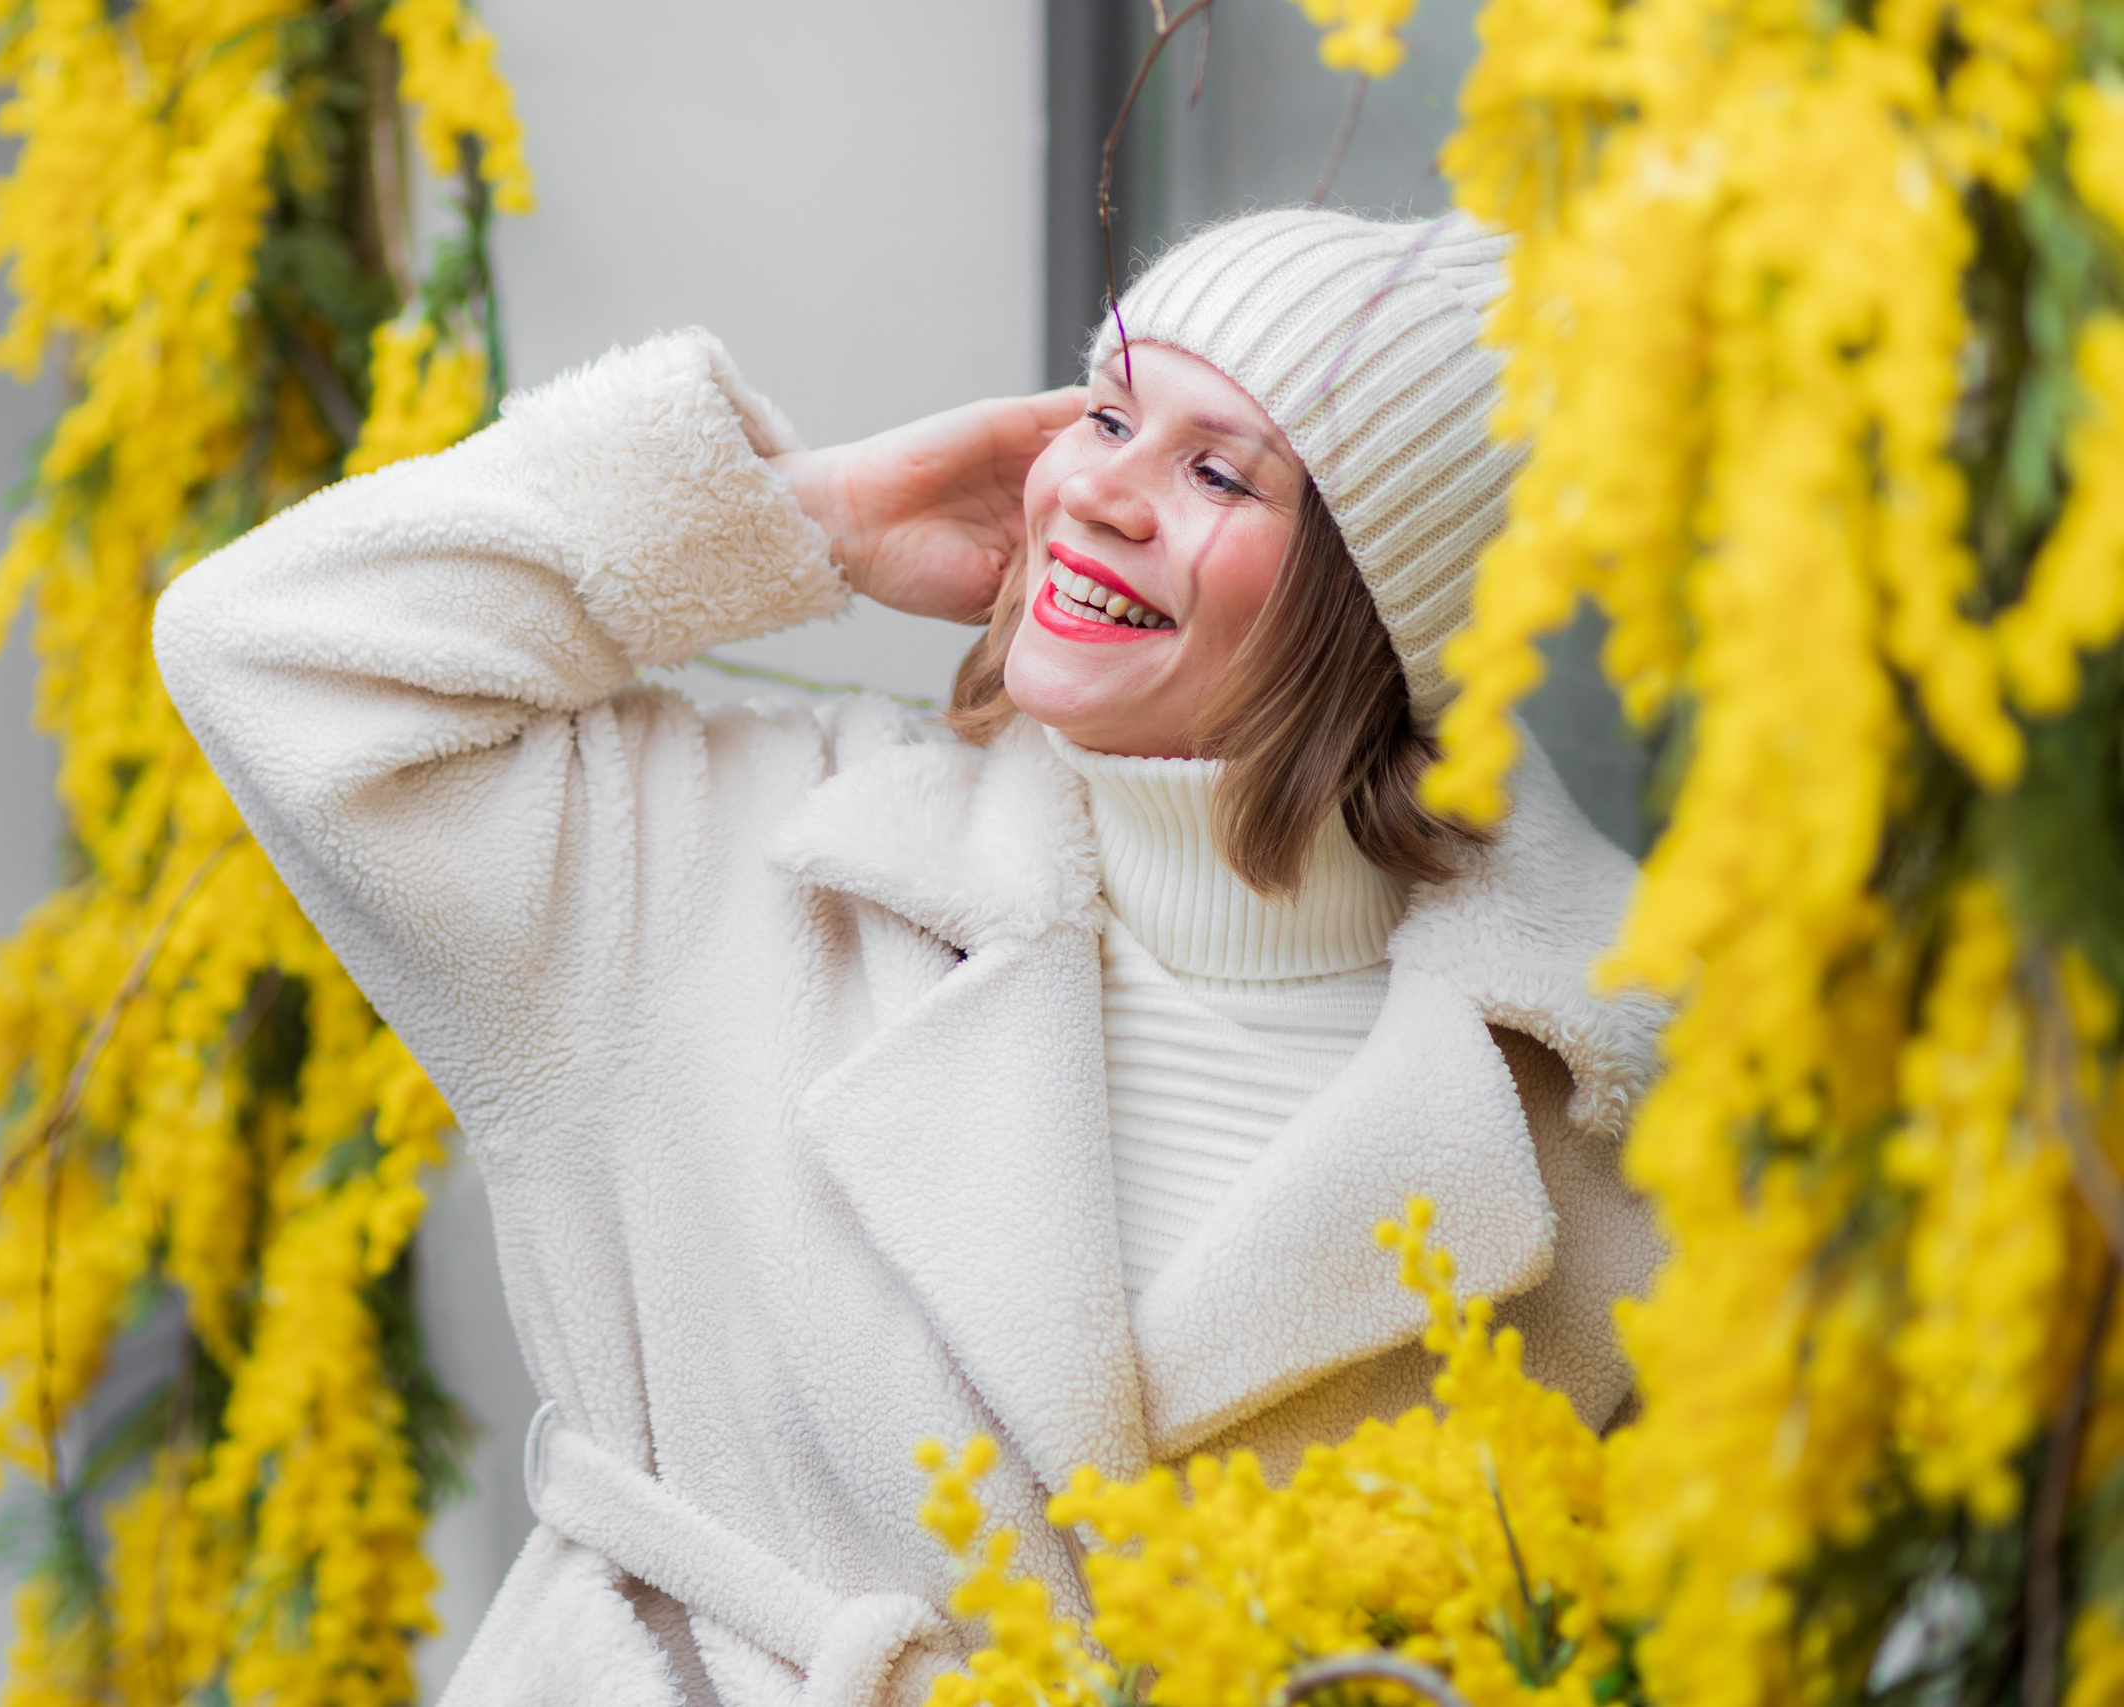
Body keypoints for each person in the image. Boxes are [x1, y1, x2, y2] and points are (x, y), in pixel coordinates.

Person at [154, 207, 1666, 1707]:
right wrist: (806, 521)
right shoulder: (733, 866)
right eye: (1107, 414)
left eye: (1217, 471)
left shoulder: (1611, 1103)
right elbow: (265, 648)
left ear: (1385, 605)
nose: (1098, 492)